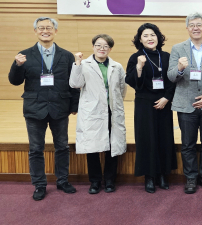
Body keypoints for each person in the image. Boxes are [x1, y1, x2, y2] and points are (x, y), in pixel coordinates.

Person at [8, 17, 80, 201]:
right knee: (36, 149)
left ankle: (63, 180)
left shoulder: (66, 55)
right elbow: (15, 81)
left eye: (49, 27)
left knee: (62, 147)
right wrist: (17, 66)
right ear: (35, 31)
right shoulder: (24, 55)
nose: (45, 31)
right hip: (34, 108)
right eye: (41, 28)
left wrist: (74, 105)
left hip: (60, 107)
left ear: (55, 31)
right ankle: (39, 184)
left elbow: (73, 83)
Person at [168, 12, 202, 194]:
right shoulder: (177, 49)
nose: (196, 28)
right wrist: (179, 68)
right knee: (188, 144)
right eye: (192, 25)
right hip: (186, 104)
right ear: (187, 28)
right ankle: (191, 177)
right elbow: (170, 76)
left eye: (199, 24)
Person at [69, 34, 126, 194]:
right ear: (93, 47)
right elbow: (75, 83)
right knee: (92, 147)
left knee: (112, 146)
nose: (102, 49)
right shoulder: (84, 65)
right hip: (92, 112)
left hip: (112, 110)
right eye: (99, 45)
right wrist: (77, 64)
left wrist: (115, 103)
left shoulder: (117, 66)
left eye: (106, 46)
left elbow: (122, 89)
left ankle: (109, 180)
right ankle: (94, 181)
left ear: (110, 49)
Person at [125, 23, 177, 193]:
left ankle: (163, 174)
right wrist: (139, 67)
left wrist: (167, 98)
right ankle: (149, 176)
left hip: (164, 103)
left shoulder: (167, 56)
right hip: (144, 104)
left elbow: (173, 80)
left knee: (164, 137)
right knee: (146, 139)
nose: (150, 38)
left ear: (158, 37)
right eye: (145, 35)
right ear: (140, 39)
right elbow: (132, 82)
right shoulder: (136, 57)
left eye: (153, 35)